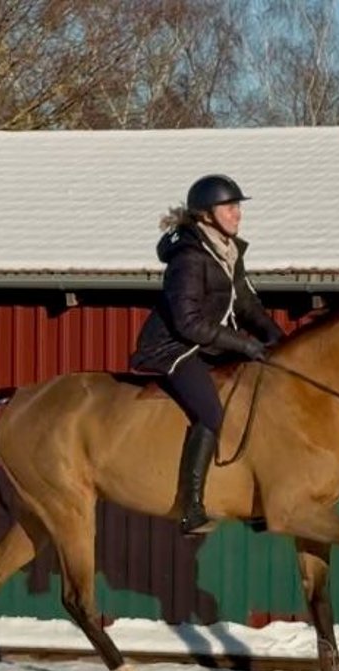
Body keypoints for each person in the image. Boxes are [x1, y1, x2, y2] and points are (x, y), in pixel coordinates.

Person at [130, 174, 285, 535]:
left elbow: (248, 307)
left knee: (255, 398)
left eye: (237, 207)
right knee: (213, 412)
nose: (237, 214)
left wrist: (281, 342)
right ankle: (191, 506)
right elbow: (187, 323)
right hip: (174, 348)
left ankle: (254, 497)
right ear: (206, 215)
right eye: (230, 207)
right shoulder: (188, 257)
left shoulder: (229, 252)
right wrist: (245, 345)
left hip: (208, 344)